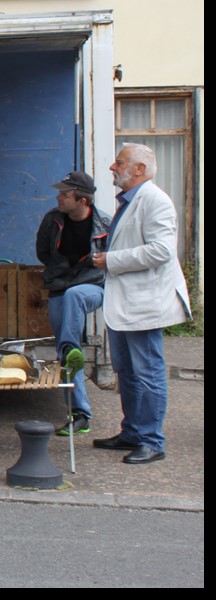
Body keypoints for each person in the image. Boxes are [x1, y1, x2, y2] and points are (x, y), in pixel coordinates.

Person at [90, 143, 191, 465]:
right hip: (126, 304)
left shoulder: (155, 200)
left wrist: (111, 259)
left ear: (139, 169)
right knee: (128, 372)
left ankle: (152, 441)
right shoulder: (129, 201)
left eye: (118, 163)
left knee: (148, 373)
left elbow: (161, 251)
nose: (112, 167)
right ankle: (132, 432)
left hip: (146, 305)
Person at [36, 170, 111, 437]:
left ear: (82, 200)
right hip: (59, 286)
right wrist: (61, 269)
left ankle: (69, 350)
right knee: (66, 351)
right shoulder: (52, 220)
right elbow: (42, 252)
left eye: (64, 194)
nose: (58, 198)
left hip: (92, 286)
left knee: (75, 298)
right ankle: (79, 415)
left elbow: (113, 260)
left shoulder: (104, 224)